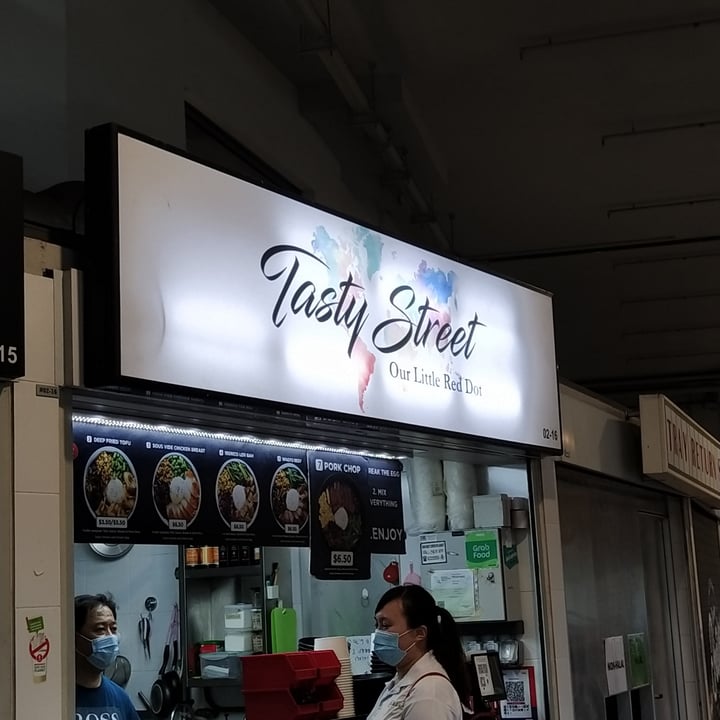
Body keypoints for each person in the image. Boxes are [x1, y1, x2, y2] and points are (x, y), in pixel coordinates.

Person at [367, 584, 470, 720]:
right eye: (377, 625)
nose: (378, 633)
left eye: (385, 625)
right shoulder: (399, 682)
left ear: (419, 633)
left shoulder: (430, 693)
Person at [75, 593, 140, 720]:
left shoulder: (120, 698)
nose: (110, 637)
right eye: (100, 629)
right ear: (75, 638)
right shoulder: (56, 697)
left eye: (113, 629)